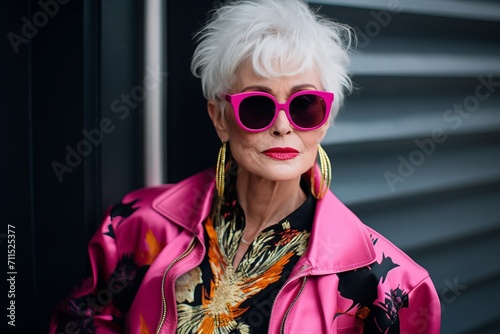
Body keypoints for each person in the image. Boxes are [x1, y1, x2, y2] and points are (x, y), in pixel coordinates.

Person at [50, 0, 441, 333]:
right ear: (220, 118)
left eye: (305, 106)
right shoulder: (138, 225)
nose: (283, 126)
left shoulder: (389, 286)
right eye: (257, 106)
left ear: (326, 120)